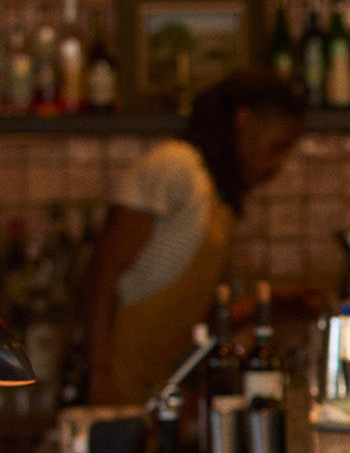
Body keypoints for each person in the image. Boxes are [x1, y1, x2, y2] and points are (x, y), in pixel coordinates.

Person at [85, 68, 303, 405]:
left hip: (158, 384)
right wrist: (98, 374)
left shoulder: (215, 193)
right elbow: (103, 272)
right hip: (119, 381)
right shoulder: (174, 166)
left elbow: (201, 312)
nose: (278, 164)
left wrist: (283, 301)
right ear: (243, 121)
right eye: (277, 147)